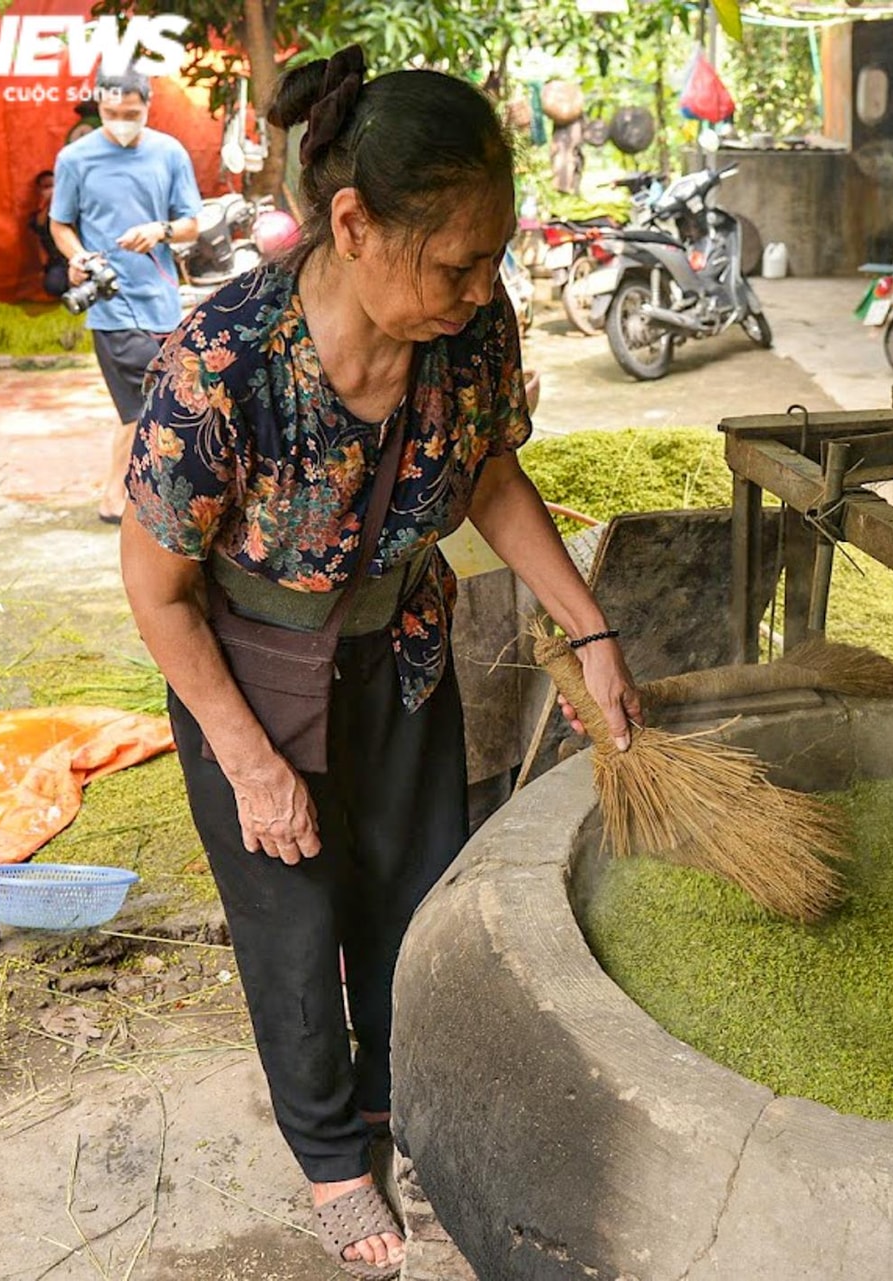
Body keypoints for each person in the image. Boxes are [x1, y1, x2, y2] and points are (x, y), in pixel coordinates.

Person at [118, 46, 642, 1279]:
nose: (482, 285)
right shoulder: (222, 366)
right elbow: (158, 591)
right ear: (351, 223)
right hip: (247, 673)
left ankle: (392, 1106)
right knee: (293, 926)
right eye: (459, 260)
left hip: (403, 650)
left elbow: (490, 477)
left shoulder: (470, 333)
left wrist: (593, 627)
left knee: (410, 904)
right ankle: (332, 1163)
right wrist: (248, 763)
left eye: (494, 257)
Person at [49, 70, 201, 524]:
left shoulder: (169, 153)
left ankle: (120, 495)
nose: (120, 122)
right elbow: (60, 225)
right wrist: (78, 258)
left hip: (163, 300)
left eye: (130, 114)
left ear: (148, 106)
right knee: (145, 404)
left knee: (148, 405)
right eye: (111, 114)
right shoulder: (76, 159)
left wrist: (160, 230)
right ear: (99, 108)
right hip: (111, 303)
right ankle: (121, 499)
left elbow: (192, 222)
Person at [27, 169, 68, 300]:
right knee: (53, 286)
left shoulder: (71, 208)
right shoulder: (39, 217)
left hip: (78, 257)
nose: (51, 191)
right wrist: (47, 205)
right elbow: (39, 228)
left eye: (53, 185)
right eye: (46, 187)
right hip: (59, 263)